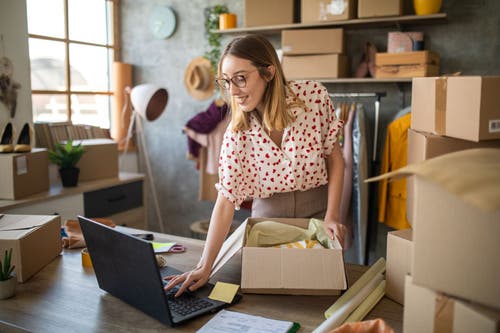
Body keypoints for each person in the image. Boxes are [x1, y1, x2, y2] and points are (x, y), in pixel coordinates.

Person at [165, 34, 348, 296]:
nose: (234, 91)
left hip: (318, 215)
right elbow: (226, 199)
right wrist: (205, 267)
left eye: (241, 78)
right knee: (266, 300)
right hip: (266, 221)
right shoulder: (237, 133)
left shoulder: (313, 97)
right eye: (227, 82)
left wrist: (333, 215)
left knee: (319, 295)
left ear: (269, 72)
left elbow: (334, 157)